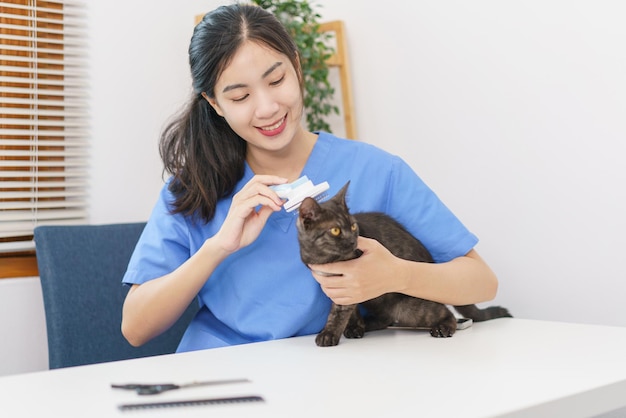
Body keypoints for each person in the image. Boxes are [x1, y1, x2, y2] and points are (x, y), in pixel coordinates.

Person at [121, 3, 499, 351]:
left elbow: (481, 280)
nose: (267, 108)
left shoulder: (376, 171)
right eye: (240, 97)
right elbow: (135, 327)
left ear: (297, 67)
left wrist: (394, 275)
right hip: (223, 378)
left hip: (332, 378)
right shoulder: (193, 188)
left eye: (276, 80)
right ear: (215, 104)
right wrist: (218, 246)